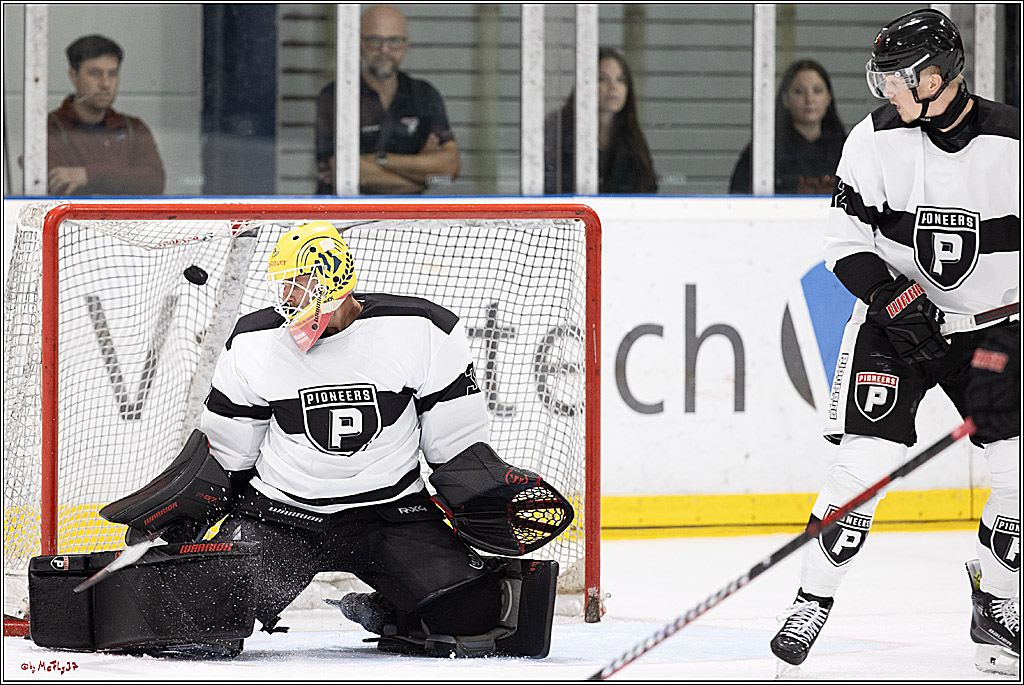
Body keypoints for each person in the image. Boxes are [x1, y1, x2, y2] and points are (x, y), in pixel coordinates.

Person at [769, 9, 1019, 677]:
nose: (885, 94)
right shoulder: (873, 141)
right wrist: (892, 298)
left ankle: (996, 603)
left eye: (897, 82)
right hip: (897, 329)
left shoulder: (1013, 141)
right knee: (861, 468)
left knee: (1017, 475)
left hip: (992, 334)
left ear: (937, 77)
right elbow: (843, 245)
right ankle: (809, 600)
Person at [314, 4, 460, 195]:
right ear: (358, 43)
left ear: (406, 45)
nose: (385, 50)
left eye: (394, 41)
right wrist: (419, 177)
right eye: (375, 41)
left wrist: (380, 160)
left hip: (406, 221)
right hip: (344, 219)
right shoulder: (337, 96)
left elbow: (449, 166)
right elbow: (345, 172)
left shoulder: (423, 95)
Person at [47, 35, 165, 196]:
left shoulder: (133, 128)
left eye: (112, 74)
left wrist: (89, 175)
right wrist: (124, 179)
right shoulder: (51, 128)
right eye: (95, 73)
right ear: (73, 76)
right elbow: (57, 185)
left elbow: (154, 182)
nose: (105, 84)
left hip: (129, 221)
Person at [545, 47, 658, 194]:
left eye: (620, 80)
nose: (613, 87)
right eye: (602, 79)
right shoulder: (560, 132)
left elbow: (648, 189)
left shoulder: (632, 140)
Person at [728, 59, 847, 195]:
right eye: (799, 91)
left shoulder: (846, 151)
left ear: (828, 98)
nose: (810, 99)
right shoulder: (765, 151)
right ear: (785, 99)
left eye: (817, 91)